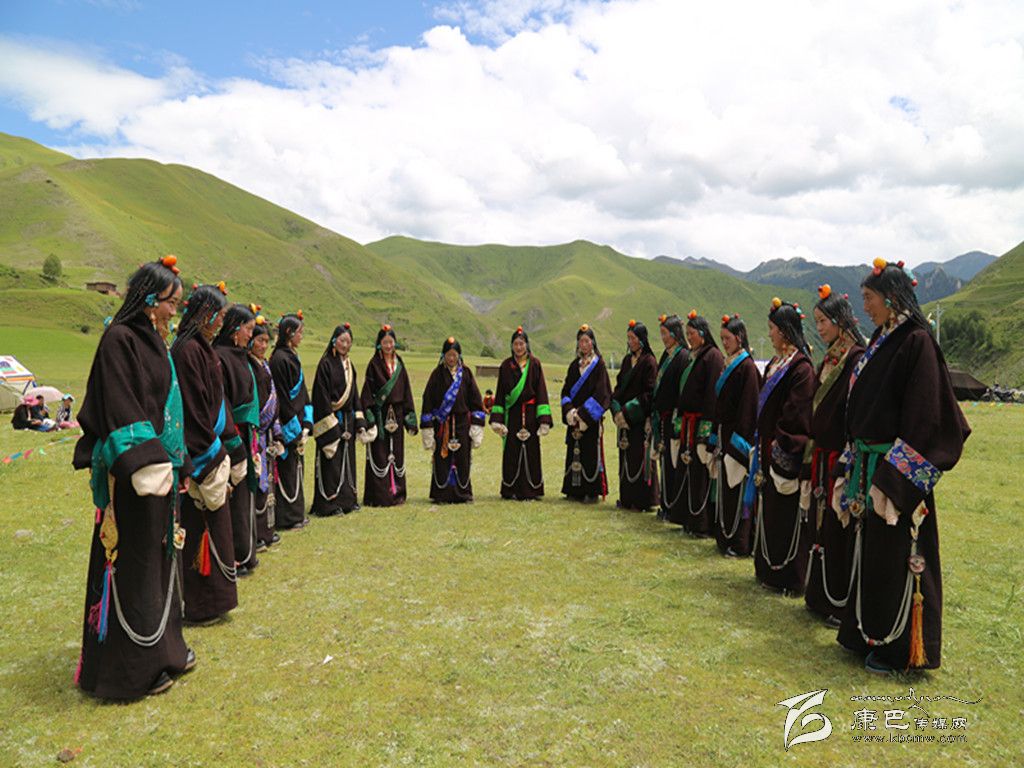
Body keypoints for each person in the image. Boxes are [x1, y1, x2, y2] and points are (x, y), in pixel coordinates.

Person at [835, 258, 969, 674]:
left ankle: (899, 649)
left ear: (892, 298)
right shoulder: (882, 340)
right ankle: (865, 633)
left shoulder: (917, 343)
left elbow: (927, 420)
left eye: (869, 298)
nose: (864, 308)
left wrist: (894, 481)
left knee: (898, 557)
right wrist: (849, 466)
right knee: (871, 554)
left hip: (894, 473)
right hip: (869, 465)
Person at [71, 255, 193, 699]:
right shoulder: (119, 340)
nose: (175, 311)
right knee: (134, 563)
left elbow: (168, 409)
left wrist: (176, 463)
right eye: (171, 303)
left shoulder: (157, 344)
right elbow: (121, 407)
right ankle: (132, 669)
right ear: (149, 300)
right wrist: (148, 461)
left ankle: (165, 649)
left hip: (161, 469)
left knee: (159, 561)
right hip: (135, 472)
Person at [172, 282, 239, 625]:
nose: (221, 323)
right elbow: (192, 409)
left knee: (216, 529)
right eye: (219, 316)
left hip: (212, 445)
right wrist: (208, 456)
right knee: (199, 530)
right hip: (201, 453)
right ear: (205, 315)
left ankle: (216, 600)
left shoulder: (201, 348)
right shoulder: (186, 351)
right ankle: (200, 605)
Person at [802, 285, 866, 627]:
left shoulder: (855, 358)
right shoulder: (828, 358)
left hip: (840, 457)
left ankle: (839, 602)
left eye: (823, 321)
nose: (820, 328)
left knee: (839, 528)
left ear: (841, 321)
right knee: (821, 525)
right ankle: (819, 596)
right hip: (821, 455)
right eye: (816, 321)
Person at [749, 298, 815, 595]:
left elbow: (796, 413)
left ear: (786, 331)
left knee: (786, 513)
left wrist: (779, 444)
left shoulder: (801, 368)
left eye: (772, 329)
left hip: (784, 449)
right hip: (767, 447)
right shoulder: (776, 364)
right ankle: (767, 568)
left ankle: (788, 575)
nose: (770, 334)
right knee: (770, 511)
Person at [213, 304, 260, 575]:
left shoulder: (240, 356)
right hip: (230, 436)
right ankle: (235, 556)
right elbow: (223, 404)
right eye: (248, 330)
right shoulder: (220, 357)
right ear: (234, 328)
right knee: (233, 498)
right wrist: (234, 441)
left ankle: (246, 551)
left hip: (245, 434)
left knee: (244, 497)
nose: (250, 336)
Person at [672, 311, 725, 535]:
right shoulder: (695, 356)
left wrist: (705, 433)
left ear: (702, 334)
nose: (689, 337)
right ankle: (688, 519)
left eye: (692, 333)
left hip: (700, 424)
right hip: (688, 423)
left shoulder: (713, 357)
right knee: (688, 471)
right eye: (687, 333)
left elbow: (712, 397)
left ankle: (701, 524)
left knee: (700, 474)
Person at [711, 314, 759, 557]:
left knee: (738, 489)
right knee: (725, 490)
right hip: (724, 433)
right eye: (721, 338)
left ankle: (739, 542)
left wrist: (738, 445)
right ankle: (724, 537)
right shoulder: (728, 364)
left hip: (737, 437)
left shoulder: (747, 367)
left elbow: (748, 408)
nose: (724, 343)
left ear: (739, 338)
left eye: (727, 338)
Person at [489, 326, 553, 501]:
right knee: (511, 451)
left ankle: (532, 490)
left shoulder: (535, 364)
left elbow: (541, 391)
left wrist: (544, 419)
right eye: (516, 344)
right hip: (513, 414)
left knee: (531, 451)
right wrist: (497, 420)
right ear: (512, 346)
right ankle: (510, 489)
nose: (519, 347)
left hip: (531, 415)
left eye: (522, 344)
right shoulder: (505, 366)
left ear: (527, 345)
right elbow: (500, 394)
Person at [420, 336, 486, 503]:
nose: (451, 358)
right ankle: (442, 494)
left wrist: (476, 427)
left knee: (463, 459)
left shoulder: (466, 374)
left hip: (463, 424)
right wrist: (428, 428)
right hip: (443, 424)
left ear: (459, 356)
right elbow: (427, 400)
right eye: (448, 355)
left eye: (454, 355)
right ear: (443, 356)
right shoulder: (436, 374)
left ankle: (463, 494)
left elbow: (476, 401)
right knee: (442, 460)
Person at [359, 324, 417, 507]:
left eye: (391, 342)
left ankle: (397, 493)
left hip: (397, 415)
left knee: (396, 453)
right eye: (385, 342)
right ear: (379, 344)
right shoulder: (373, 364)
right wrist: (369, 419)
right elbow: (367, 392)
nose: (388, 345)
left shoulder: (400, 364)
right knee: (380, 453)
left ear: (395, 343)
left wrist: (409, 418)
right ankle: (379, 496)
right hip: (380, 414)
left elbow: (406, 390)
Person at [310, 323, 365, 516]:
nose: (345, 344)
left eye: (348, 341)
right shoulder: (325, 364)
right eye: (342, 340)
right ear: (334, 341)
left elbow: (355, 394)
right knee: (331, 461)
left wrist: (359, 420)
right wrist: (330, 422)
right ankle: (330, 503)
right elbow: (321, 395)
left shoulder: (350, 366)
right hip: (331, 419)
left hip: (348, 420)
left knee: (348, 460)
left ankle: (348, 500)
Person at [270, 312, 313, 530]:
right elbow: (283, 397)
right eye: (299, 333)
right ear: (289, 332)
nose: (301, 337)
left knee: (296, 468)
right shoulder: (279, 359)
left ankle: (296, 513)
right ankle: (287, 517)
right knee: (286, 470)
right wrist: (293, 428)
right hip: (287, 421)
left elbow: (302, 391)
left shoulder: (291, 356)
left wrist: (307, 421)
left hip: (297, 419)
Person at [560, 324, 612, 503]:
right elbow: (566, 391)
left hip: (589, 419)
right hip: (574, 417)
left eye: (586, 341)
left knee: (590, 453)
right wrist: (570, 411)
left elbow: (602, 393)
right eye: (580, 341)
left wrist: (583, 414)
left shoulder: (599, 365)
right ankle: (573, 490)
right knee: (574, 452)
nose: (583, 345)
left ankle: (591, 491)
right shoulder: (573, 366)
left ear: (592, 343)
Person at [610, 320, 659, 512]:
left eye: (633, 338)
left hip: (639, 419)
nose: (630, 342)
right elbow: (619, 388)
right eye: (628, 338)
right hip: (624, 420)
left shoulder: (649, 362)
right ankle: (627, 498)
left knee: (639, 458)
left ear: (642, 339)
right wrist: (615, 409)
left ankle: (643, 501)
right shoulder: (626, 361)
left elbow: (650, 393)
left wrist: (627, 412)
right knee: (625, 456)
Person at [247, 314, 282, 551]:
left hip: (267, 432)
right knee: (258, 482)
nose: (263, 345)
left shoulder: (265, 365)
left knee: (268, 481)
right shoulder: (248, 365)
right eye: (259, 340)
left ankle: (268, 530)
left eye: (266, 341)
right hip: (256, 432)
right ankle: (257, 534)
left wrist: (276, 432)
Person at [652, 314, 690, 521]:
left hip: (674, 418)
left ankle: (673, 507)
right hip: (663, 418)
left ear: (675, 334)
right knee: (664, 461)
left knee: (673, 463)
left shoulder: (683, 356)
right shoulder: (666, 356)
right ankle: (665, 504)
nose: (663, 338)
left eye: (665, 333)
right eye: (661, 334)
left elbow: (681, 390)